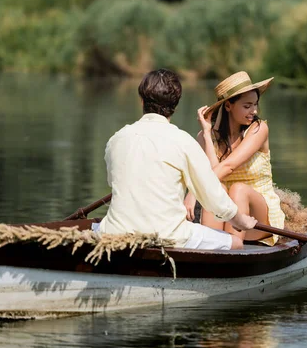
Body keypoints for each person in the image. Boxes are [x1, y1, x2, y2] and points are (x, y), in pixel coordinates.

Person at [98, 69, 257, 250]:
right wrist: (239, 219)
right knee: (236, 244)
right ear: (176, 105)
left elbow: (113, 182)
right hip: (168, 235)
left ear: (141, 100)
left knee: (95, 228)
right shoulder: (184, 141)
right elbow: (212, 194)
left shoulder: (116, 139)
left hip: (114, 232)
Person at [184, 71, 285, 246]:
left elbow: (228, 166)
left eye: (255, 105)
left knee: (238, 189)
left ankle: (234, 249)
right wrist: (207, 135)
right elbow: (214, 173)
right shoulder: (206, 137)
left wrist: (194, 191)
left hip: (256, 219)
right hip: (224, 212)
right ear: (229, 106)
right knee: (219, 188)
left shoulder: (258, 129)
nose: (253, 111)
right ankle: (211, 251)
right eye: (247, 106)